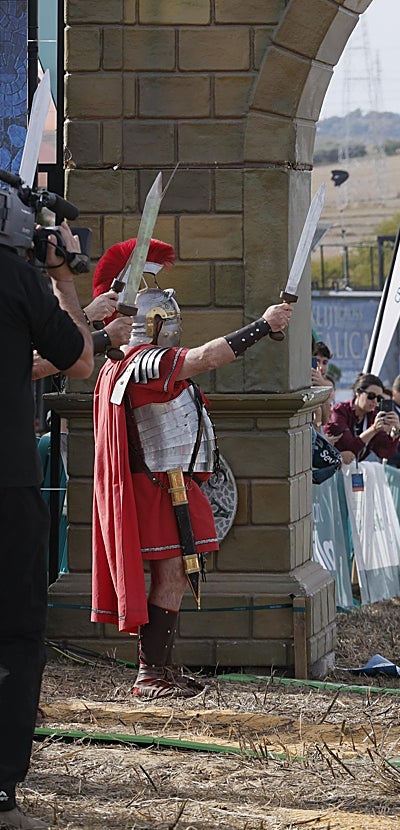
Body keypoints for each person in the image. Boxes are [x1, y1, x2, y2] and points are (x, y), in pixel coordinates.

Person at [90, 237, 293, 702]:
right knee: (172, 574)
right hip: (157, 487)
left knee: (177, 573)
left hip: (166, 483)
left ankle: (159, 667)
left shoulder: (122, 363)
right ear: (156, 324)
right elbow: (206, 358)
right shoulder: (144, 362)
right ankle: (150, 674)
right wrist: (262, 325)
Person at [1, 218, 93, 830]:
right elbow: (81, 361)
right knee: (12, 633)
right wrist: (61, 273)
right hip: (5, 485)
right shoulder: (16, 277)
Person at [325, 373, 400, 464]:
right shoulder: (339, 411)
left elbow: (385, 452)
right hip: (334, 469)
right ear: (358, 392)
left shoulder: (373, 416)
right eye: (371, 396)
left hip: (355, 470)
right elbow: (348, 448)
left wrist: (395, 432)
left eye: (379, 398)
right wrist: (373, 429)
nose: (374, 401)